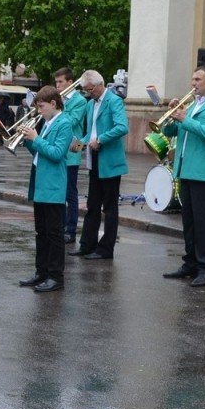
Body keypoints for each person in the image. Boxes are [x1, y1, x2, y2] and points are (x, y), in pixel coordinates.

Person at [161, 65, 205, 288]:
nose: (193, 83)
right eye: (192, 79)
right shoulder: (191, 105)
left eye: (198, 79)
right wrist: (172, 117)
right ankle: (189, 263)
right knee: (189, 222)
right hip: (185, 169)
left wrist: (184, 118)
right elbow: (172, 132)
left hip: (203, 172)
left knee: (204, 224)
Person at [18, 86, 73, 293]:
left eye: (41, 107)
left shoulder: (64, 123)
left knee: (54, 234)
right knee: (41, 232)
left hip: (53, 186)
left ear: (53, 103)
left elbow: (57, 153)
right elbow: (38, 153)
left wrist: (36, 138)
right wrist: (27, 140)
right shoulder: (48, 122)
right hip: (41, 184)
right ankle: (41, 272)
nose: (39, 111)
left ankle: (56, 276)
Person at [70, 70, 128, 260]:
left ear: (100, 84)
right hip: (94, 159)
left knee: (110, 208)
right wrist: (78, 145)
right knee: (92, 205)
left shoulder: (114, 101)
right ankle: (87, 245)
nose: (89, 93)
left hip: (109, 160)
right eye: (86, 90)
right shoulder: (90, 104)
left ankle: (105, 249)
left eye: (90, 89)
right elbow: (89, 134)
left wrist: (101, 139)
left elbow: (122, 127)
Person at [55, 68, 88, 244]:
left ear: (70, 82)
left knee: (70, 194)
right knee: (58, 193)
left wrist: (59, 105)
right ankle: (58, 227)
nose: (57, 86)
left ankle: (71, 230)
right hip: (57, 153)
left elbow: (71, 121)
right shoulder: (58, 100)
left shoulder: (80, 100)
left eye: (60, 82)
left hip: (71, 153)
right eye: (56, 82)